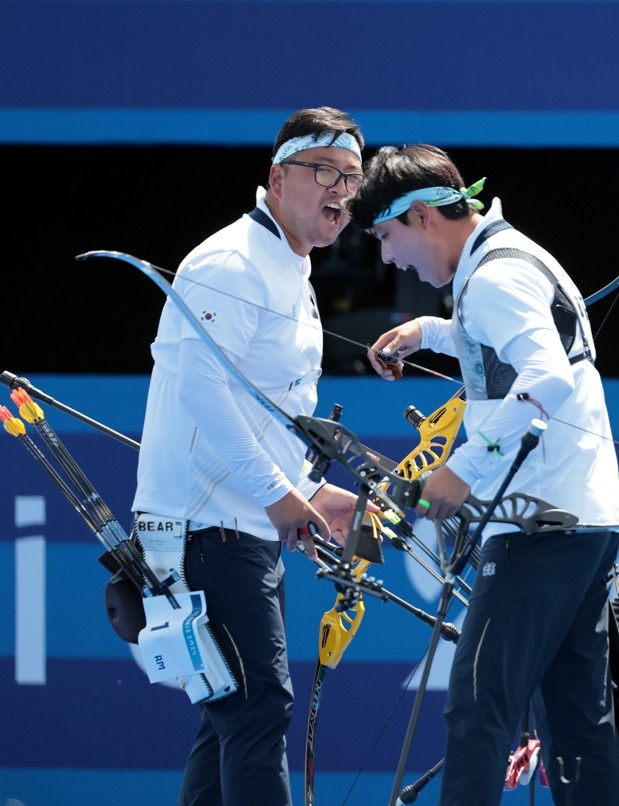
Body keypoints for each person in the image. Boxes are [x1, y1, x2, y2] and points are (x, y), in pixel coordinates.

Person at [347, 144, 619, 806]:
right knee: (574, 724)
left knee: (479, 711)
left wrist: (464, 469)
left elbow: (545, 376)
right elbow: (513, 345)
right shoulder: (508, 257)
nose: (389, 258)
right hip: (579, 521)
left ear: (420, 217)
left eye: (387, 237)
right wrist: (429, 333)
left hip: (541, 528)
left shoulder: (494, 278)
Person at [131, 107, 367, 805]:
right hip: (207, 528)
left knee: (232, 715)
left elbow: (264, 406)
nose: (341, 192)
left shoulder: (291, 267)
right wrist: (277, 493)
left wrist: (303, 491)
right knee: (257, 707)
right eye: (324, 171)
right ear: (277, 176)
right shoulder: (233, 261)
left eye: (353, 179)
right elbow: (205, 392)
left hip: (244, 525)